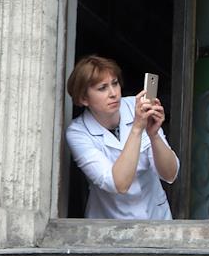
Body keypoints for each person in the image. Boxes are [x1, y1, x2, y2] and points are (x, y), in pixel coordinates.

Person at [65, 54, 179, 219]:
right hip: (110, 224)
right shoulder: (78, 132)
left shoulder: (136, 107)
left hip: (156, 217)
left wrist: (154, 135)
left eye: (115, 83)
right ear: (84, 98)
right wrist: (137, 129)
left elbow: (170, 174)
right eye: (102, 88)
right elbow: (119, 184)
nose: (113, 93)